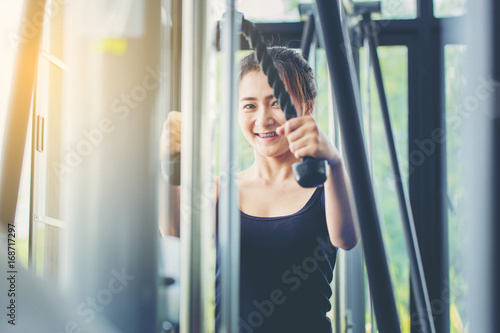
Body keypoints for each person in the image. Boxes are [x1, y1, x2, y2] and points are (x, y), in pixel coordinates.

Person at [160, 46, 358, 332]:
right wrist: (168, 168)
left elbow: (347, 237)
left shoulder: (327, 184)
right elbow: (174, 231)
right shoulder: (220, 190)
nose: (263, 119)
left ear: (308, 105)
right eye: (250, 105)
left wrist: (335, 163)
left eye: (276, 102)